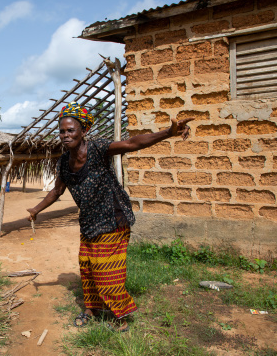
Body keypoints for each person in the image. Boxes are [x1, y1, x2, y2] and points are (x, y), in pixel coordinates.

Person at [26, 102, 193, 331]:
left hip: (113, 218)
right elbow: (57, 191)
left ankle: (120, 316)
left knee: (107, 272)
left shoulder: (98, 148)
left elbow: (132, 143)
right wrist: (36, 210)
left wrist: (167, 133)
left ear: (83, 131)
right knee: (87, 268)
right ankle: (91, 309)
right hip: (89, 222)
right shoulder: (64, 162)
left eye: (70, 130)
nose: (65, 135)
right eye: (62, 131)